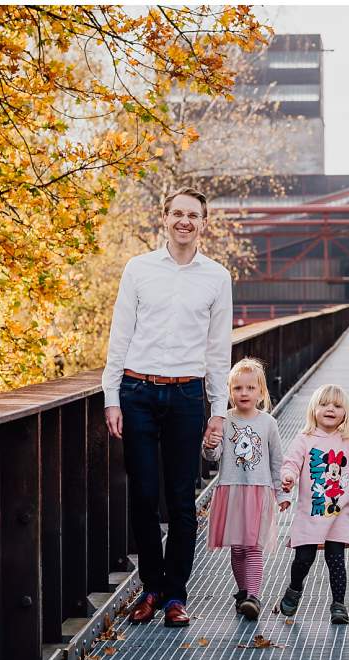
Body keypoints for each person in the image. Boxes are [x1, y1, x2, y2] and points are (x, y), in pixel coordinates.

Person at [102, 186, 232, 627]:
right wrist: (111, 397)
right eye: (177, 213)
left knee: (180, 500)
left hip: (185, 396)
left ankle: (176, 595)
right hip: (137, 392)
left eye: (193, 215)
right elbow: (119, 336)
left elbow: (218, 349)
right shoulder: (138, 270)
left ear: (203, 223)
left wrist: (218, 411)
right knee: (142, 496)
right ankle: (151, 588)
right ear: (164, 218)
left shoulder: (216, 277)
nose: (184, 221)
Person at [277, 384, 349, 625]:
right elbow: (291, 463)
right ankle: (295, 588)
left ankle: (338, 605)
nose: (330, 409)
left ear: (345, 414)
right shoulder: (304, 439)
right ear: (314, 410)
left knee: (336, 561)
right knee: (303, 559)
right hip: (310, 514)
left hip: (338, 515)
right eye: (324, 404)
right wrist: (288, 477)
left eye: (337, 406)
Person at [201, 358, 291, 620]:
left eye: (250, 388)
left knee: (253, 546)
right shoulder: (224, 420)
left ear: (261, 392)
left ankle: (253, 596)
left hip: (258, 492)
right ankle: (242, 592)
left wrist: (282, 492)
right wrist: (209, 445)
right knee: (237, 548)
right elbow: (212, 456)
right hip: (230, 491)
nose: (244, 393)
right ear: (230, 392)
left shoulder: (268, 424)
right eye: (238, 388)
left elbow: (277, 461)